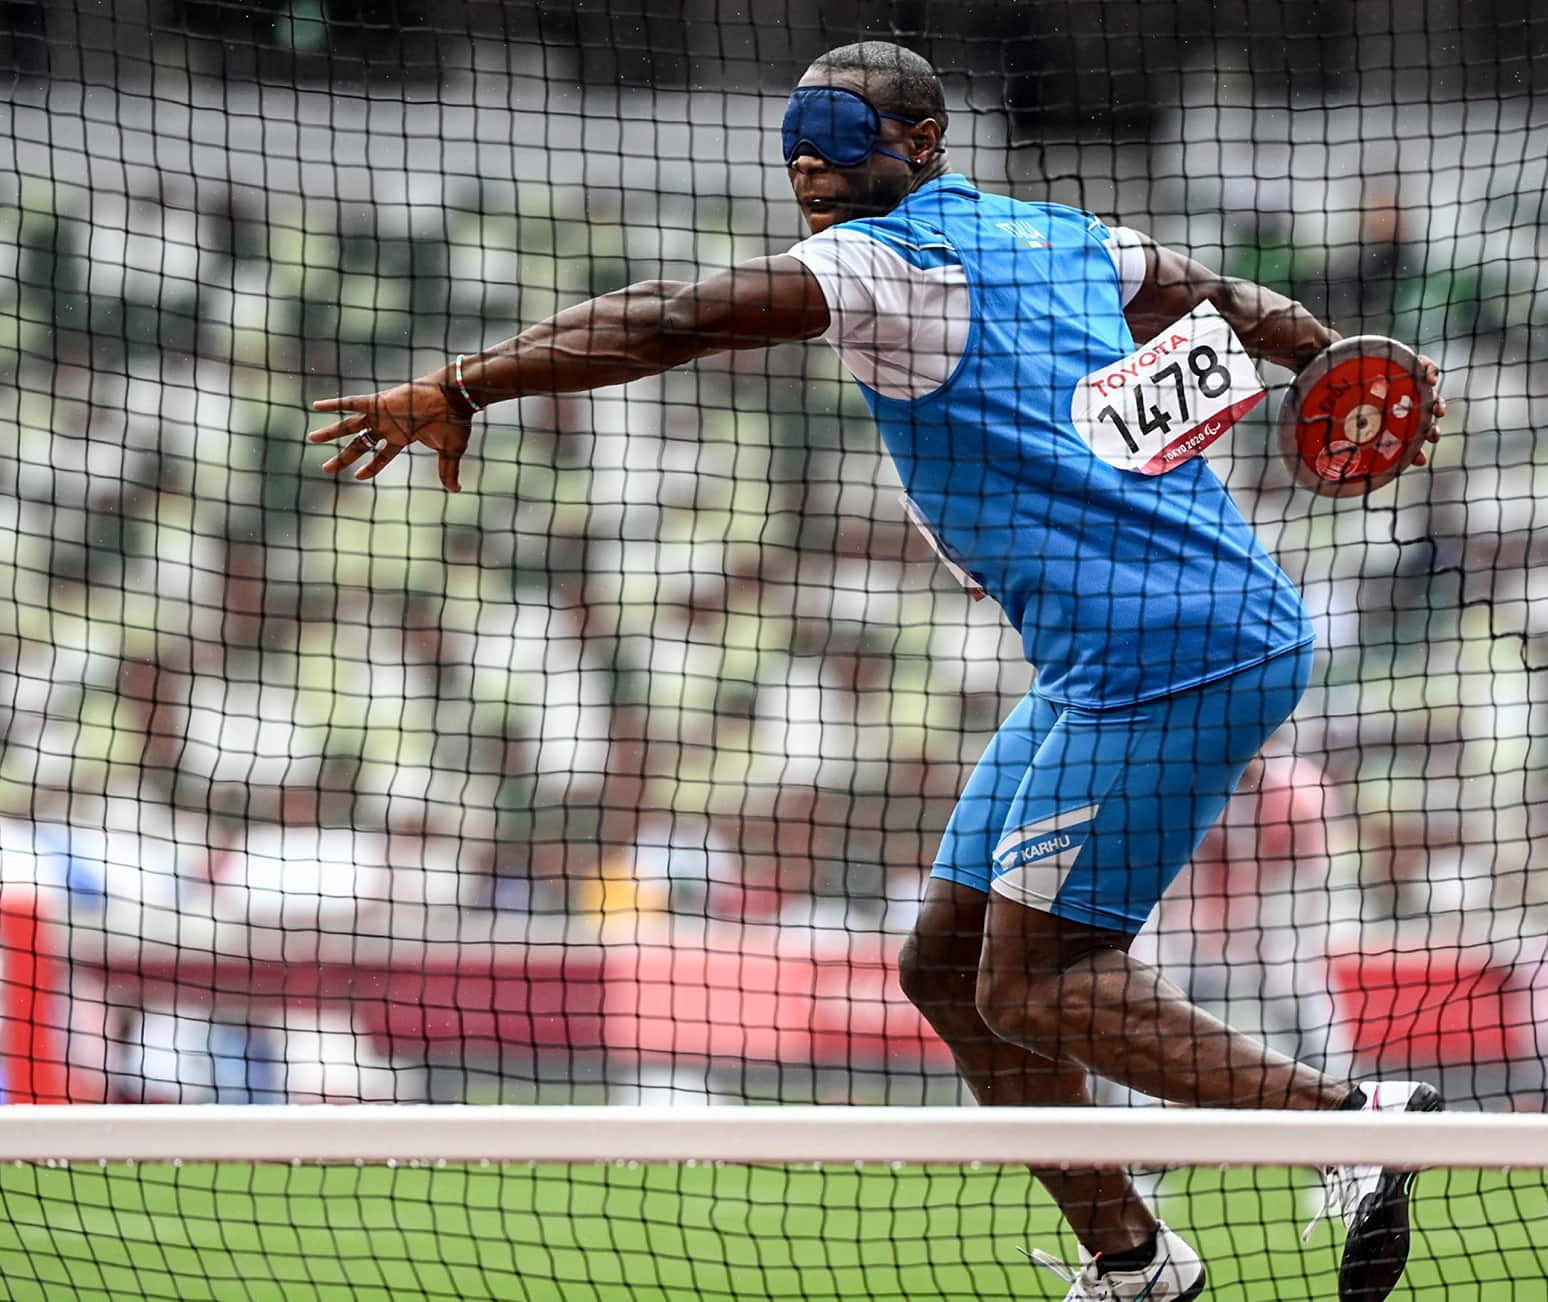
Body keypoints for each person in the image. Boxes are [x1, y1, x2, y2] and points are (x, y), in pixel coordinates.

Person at [309, 40, 1449, 1302]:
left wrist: (468, 382)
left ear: (920, 143)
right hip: (1128, 647)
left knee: (1040, 977)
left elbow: (673, 318)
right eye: (797, 134)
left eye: (839, 130)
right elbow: (1215, 297)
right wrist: (1343, 365)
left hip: (1167, 651)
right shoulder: (1065, 237)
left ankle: (1354, 1122)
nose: (809, 154)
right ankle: (1133, 1261)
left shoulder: (881, 261)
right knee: (946, 970)